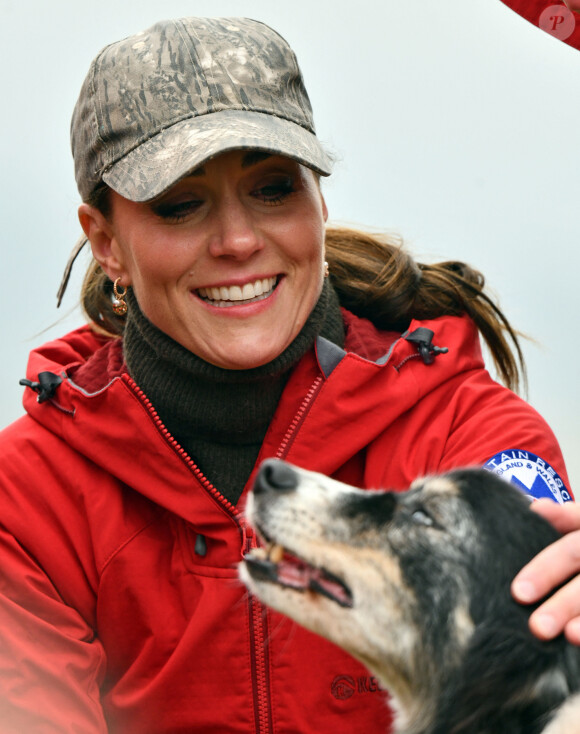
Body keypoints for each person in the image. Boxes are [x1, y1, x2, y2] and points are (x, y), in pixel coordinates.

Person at [0, 15, 575, 734]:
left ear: (320, 201)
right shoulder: (23, 501)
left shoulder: (468, 431)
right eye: (181, 204)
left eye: (273, 189)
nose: (239, 241)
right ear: (106, 242)